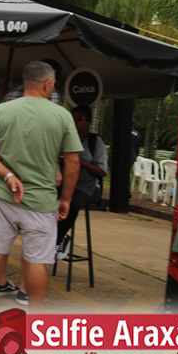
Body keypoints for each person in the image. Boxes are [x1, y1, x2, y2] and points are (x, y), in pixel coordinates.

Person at [0, 61, 82, 323]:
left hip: (3, 196)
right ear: (47, 84)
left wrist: (7, 175)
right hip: (42, 202)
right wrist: (65, 198)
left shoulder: (1, 110)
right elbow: (73, 162)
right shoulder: (62, 115)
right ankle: (37, 322)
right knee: (36, 261)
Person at [55, 106, 107, 258]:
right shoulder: (61, 138)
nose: (75, 122)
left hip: (86, 187)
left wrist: (77, 161)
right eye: (72, 118)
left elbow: (101, 171)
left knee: (72, 203)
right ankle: (53, 236)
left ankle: (57, 241)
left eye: (80, 119)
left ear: (88, 122)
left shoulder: (94, 142)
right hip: (62, 183)